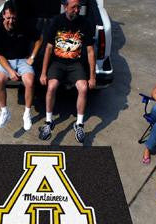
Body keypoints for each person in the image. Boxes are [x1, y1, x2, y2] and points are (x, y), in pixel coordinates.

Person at [39, 0, 96, 143]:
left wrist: (92, 77)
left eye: (79, 7)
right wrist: (43, 73)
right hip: (57, 63)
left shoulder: (85, 23)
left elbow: (90, 51)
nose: (77, 10)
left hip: (75, 64)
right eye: (73, 7)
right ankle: (48, 122)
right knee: (51, 87)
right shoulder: (56, 22)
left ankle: (79, 124)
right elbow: (49, 48)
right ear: (65, 7)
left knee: (83, 88)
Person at [0, 1, 43, 130]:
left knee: (30, 82)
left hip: (22, 60)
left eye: (13, 18)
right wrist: (10, 71)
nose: (11, 21)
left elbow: (39, 39)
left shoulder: (23, 25)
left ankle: (26, 114)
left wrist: (32, 57)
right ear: (3, 15)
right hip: (6, 61)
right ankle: (4, 112)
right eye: (8, 18)